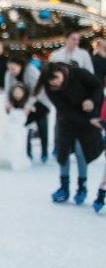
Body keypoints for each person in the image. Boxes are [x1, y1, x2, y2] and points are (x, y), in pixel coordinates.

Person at [34, 62, 103, 204]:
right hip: (67, 122)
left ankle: (82, 187)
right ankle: (63, 187)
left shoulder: (79, 73)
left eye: (56, 78)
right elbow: (64, 110)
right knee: (63, 152)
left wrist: (91, 100)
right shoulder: (50, 87)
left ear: (62, 71)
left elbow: (97, 86)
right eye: (50, 81)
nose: (54, 83)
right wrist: (88, 120)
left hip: (88, 120)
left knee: (81, 151)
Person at [4, 56, 52, 163]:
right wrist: (8, 102)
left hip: (41, 100)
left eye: (13, 68)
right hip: (23, 102)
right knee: (24, 125)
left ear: (20, 66)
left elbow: (37, 90)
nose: (11, 71)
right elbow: (7, 90)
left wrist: (29, 105)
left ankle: (44, 152)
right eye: (9, 68)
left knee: (42, 123)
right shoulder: (9, 74)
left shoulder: (30, 71)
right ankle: (27, 152)